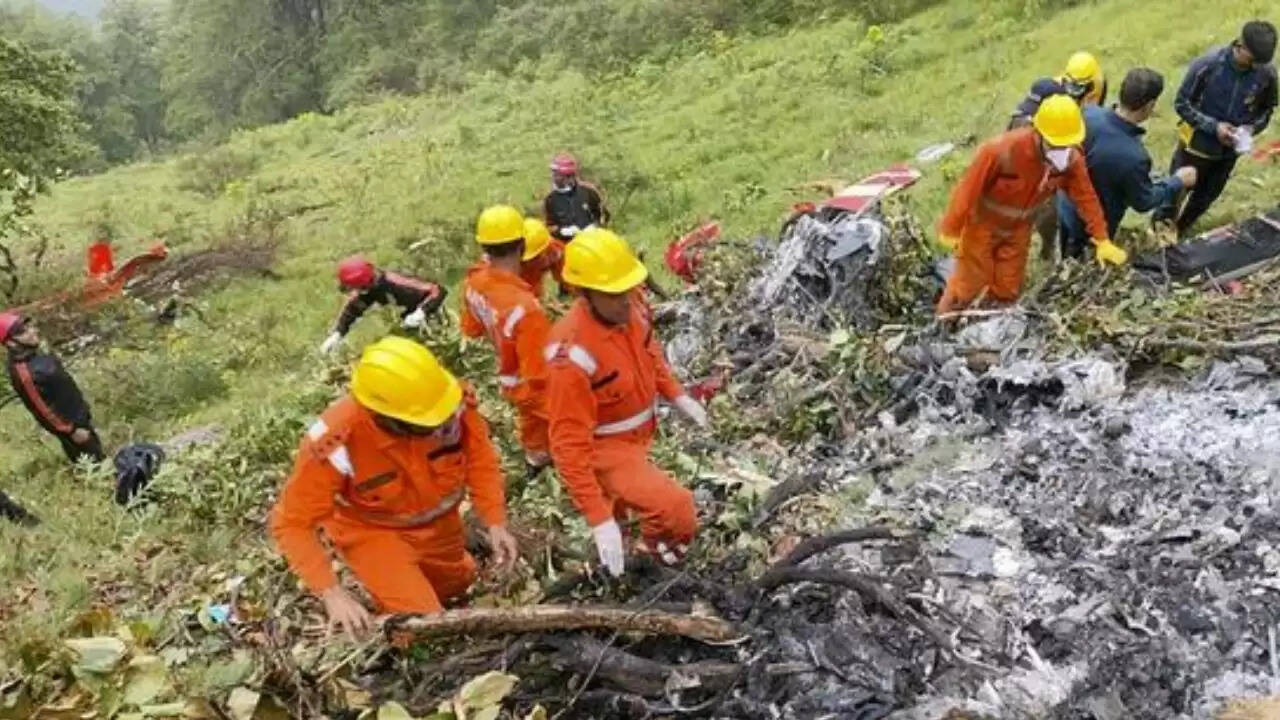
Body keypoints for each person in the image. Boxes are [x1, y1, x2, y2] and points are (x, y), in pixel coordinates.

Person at [270, 336, 518, 637]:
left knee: (460, 586)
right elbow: (292, 522)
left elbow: (480, 459)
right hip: (374, 535)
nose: (441, 425)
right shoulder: (336, 441)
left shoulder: (448, 402)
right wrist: (332, 594)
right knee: (426, 626)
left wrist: (495, 521)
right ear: (387, 418)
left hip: (441, 529)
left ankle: (423, 587)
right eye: (427, 423)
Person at [545, 228, 708, 576]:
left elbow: (651, 357)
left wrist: (678, 395)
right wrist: (597, 518)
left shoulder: (632, 310)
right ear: (585, 293)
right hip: (605, 451)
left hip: (638, 439)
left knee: (622, 514)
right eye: (613, 293)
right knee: (675, 507)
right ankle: (656, 560)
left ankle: (624, 552)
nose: (625, 299)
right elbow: (567, 445)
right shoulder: (570, 355)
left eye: (627, 288)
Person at [936, 96, 1118, 315]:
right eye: (1054, 144)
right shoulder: (1001, 151)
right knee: (966, 287)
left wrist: (1102, 239)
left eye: (1065, 144)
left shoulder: (1070, 160)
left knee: (1008, 289)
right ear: (1038, 132)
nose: (1059, 150)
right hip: (982, 226)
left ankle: (990, 327)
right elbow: (968, 189)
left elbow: (1086, 197)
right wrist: (952, 228)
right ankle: (943, 323)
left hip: (1018, 231)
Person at [1058, 68, 1199, 258]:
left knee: (1065, 246)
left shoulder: (1088, 114)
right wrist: (1177, 181)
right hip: (1093, 226)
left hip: (1065, 205)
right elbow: (1144, 201)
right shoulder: (1134, 157)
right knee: (1081, 262)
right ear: (1150, 105)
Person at [1154, 20, 1277, 235]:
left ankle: (1181, 230)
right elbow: (1182, 103)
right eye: (1254, 60)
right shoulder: (1207, 65)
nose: (1259, 66)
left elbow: (1267, 110)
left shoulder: (1267, 74)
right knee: (1173, 195)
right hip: (1195, 147)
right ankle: (1158, 232)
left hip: (1228, 153)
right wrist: (1214, 127)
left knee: (1205, 197)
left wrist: (1249, 130)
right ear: (1241, 46)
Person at [461, 206, 554, 474]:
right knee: (583, 431)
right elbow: (539, 375)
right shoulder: (526, 308)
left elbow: (472, 331)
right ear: (522, 245)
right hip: (531, 384)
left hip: (508, 377)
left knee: (533, 433)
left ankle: (536, 463)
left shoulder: (474, 284)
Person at [1009, 51, 1108, 259]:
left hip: (1071, 144)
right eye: (1070, 84)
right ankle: (1047, 248)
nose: (1073, 91)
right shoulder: (1049, 93)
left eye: (1079, 87)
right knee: (1046, 209)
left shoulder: (1099, 85)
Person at [2, 312, 105, 464]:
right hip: (72, 428)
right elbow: (42, 410)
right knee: (94, 465)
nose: (32, 331)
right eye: (23, 331)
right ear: (11, 343)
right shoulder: (23, 373)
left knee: (99, 455)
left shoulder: (35, 353)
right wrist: (71, 431)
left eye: (29, 326)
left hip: (79, 416)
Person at [320, 257, 447, 354]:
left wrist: (422, 312)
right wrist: (338, 333)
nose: (354, 293)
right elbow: (353, 309)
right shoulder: (368, 290)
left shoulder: (395, 282)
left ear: (365, 284)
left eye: (355, 288)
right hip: (407, 318)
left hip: (431, 313)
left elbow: (438, 290)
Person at [542, 153, 610, 242]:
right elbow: (548, 226)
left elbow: (604, 215)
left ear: (568, 177)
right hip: (567, 247)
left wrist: (595, 227)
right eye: (553, 173)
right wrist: (561, 231)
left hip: (592, 243)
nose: (553, 176)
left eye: (556, 174)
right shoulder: (550, 199)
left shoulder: (589, 192)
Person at [519, 218, 567, 299]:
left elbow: (566, 277)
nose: (532, 259)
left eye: (536, 256)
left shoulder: (556, 251)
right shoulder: (521, 260)